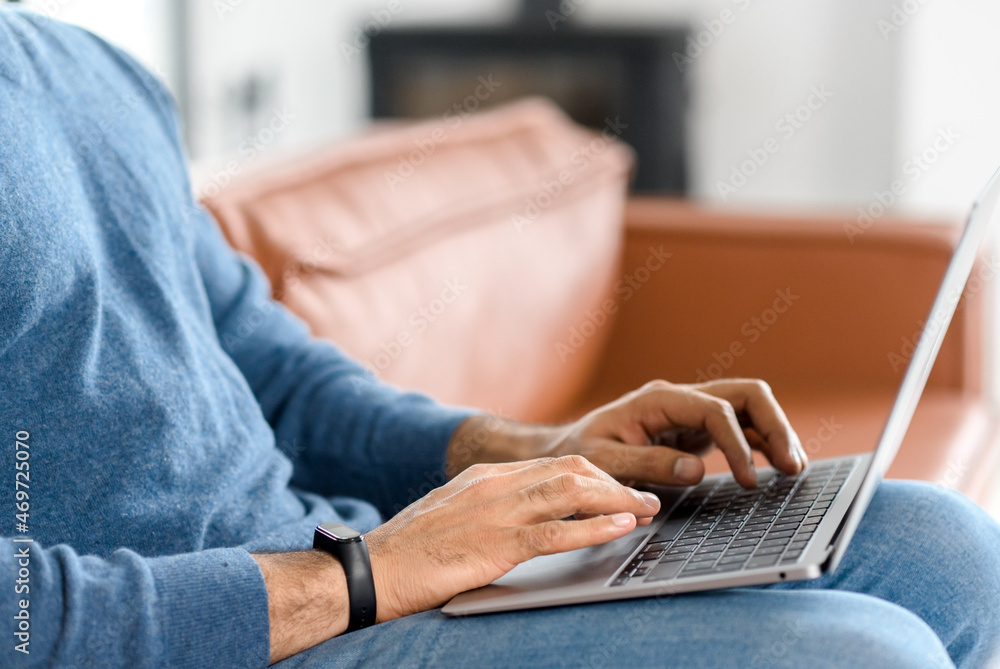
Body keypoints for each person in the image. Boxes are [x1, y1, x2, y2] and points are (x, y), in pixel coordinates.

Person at [1, 9, 998, 668]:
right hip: (235, 633)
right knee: (864, 656)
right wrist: (364, 576)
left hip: (342, 559)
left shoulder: (94, 74)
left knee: (951, 550)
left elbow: (277, 377)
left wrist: (530, 450)